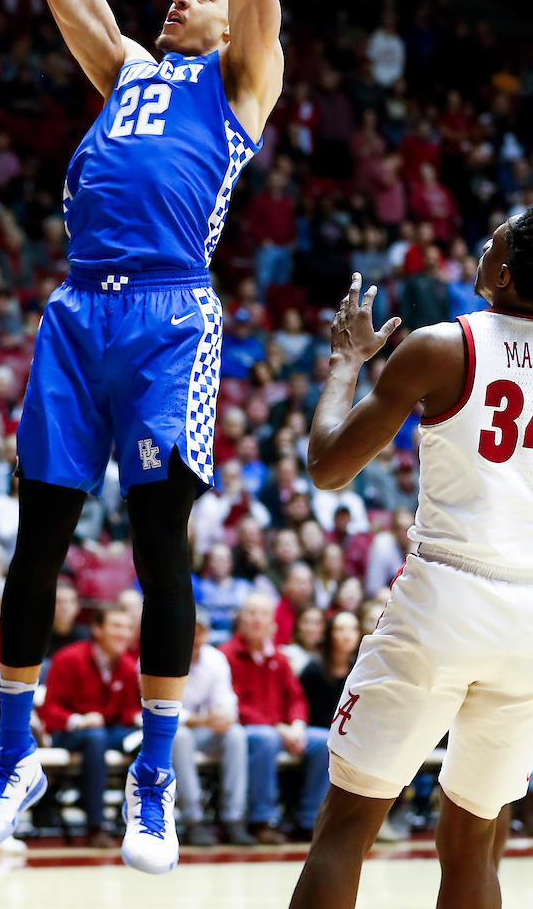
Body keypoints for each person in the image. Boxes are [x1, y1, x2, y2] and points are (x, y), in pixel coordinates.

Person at [0, 0, 284, 877]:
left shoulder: (238, 79)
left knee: (155, 544)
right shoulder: (126, 76)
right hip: (72, 313)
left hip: (167, 319)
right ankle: (14, 757)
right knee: (33, 539)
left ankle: (152, 786)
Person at [290, 209, 533, 909]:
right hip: (526, 628)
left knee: (348, 825)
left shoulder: (442, 345)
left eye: (491, 245)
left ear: (506, 272)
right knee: (476, 842)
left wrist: (345, 363)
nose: (481, 250)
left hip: (447, 598)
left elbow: (330, 467)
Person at [221, 594, 330, 843]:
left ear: (273, 623)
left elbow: (296, 698)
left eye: (263, 614)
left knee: (325, 741)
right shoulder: (227, 655)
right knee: (266, 739)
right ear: (240, 619)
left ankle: (309, 820)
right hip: (246, 732)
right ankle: (262, 819)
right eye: (251, 613)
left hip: (282, 730)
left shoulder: (279, 658)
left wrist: (298, 726)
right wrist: (279, 728)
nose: (257, 620)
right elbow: (236, 705)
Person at [39, 603, 141, 849]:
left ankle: (142, 821)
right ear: (97, 629)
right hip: (70, 732)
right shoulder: (68, 659)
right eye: (116, 626)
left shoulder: (128, 666)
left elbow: (126, 710)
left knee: (149, 740)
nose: (123, 633)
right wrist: (78, 720)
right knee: (95, 738)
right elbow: (49, 710)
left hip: (109, 731)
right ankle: (95, 827)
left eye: (127, 628)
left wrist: (137, 717)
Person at [171, 607, 254, 847]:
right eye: (191, 631)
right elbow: (158, 709)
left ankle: (233, 817)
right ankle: (193, 818)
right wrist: (201, 720)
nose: (196, 638)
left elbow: (226, 701)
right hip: (166, 734)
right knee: (182, 736)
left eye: (201, 632)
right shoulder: (161, 656)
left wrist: (223, 716)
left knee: (236, 734)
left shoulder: (215, 659)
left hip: (204, 730)